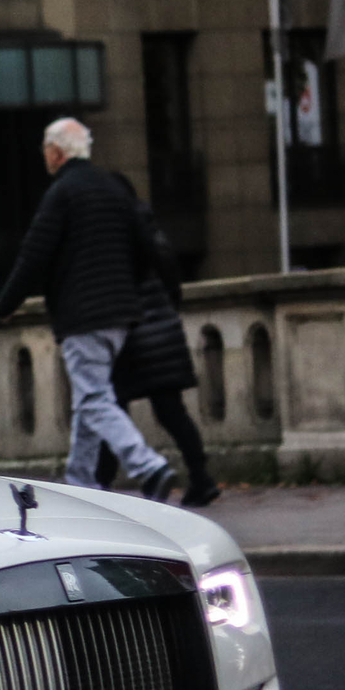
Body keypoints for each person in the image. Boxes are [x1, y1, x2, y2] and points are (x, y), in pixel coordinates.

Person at [0, 118, 178, 499]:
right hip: (121, 313)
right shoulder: (113, 188)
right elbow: (146, 245)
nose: (43, 155)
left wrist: (6, 305)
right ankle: (79, 482)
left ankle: (148, 465)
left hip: (83, 315)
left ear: (57, 152)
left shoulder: (63, 192)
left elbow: (35, 254)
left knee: (94, 399)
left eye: (45, 148)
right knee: (88, 398)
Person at [94, 192, 222, 507]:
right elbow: (172, 284)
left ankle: (100, 485)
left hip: (131, 334)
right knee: (171, 412)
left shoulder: (114, 236)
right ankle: (201, 478)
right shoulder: (151, 232)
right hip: (163, 330)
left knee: (112, 409)